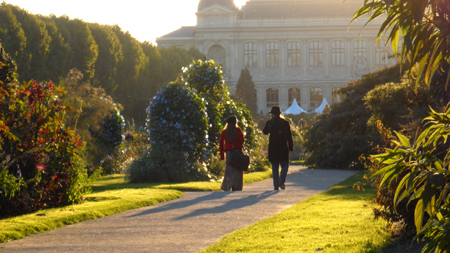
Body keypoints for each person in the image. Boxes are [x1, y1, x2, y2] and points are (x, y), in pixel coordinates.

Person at [263, 105, 293, 190]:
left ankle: (276, 186)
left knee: (275, 167)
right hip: (283, 146)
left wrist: (268, 127)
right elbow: (289, 136)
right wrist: (290, 147)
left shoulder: (269, 122)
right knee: (285, 165)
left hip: (273, 147)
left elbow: (265, 132)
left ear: (272, 114)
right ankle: (282, 178)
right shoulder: (285, 123)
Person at [219, 115, 245, 191]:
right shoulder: (238, 130)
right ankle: (236, 185)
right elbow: (242, 140)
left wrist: (222, 155)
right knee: (237, 170)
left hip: (229, 153)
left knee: (228, 170)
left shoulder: (224, 132)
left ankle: (226, 186)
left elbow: (221, 144)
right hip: (237, 152)